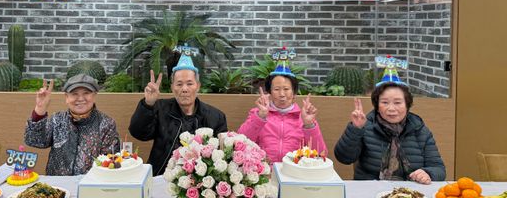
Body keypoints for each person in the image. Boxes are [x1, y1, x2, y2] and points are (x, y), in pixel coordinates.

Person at [128, 48, 228, 176]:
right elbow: (139, 133)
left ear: (198, 86)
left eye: (189, 84)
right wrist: (148, 104)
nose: (184, 89)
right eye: (179, 84)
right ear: (172, 87)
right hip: (161, 176)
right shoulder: (160, 109)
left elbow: (221, 157)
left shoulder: (216, 117)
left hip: (200, 182)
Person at [334, 81, 445, 183]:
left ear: (407, 105)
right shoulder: (365, 126)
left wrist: (428, 173)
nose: (391, 108)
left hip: (411, 191)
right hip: (371, 190)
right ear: (377, 107)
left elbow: (439, 169)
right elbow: (344, 158)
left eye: (397, 102)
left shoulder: (420, 130)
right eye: (385, 102)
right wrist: (355, 129)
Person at [238, 49, 327, 163]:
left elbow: (321, 154)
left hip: (293, 170)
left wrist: (309, 125)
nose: (282, 94)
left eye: (286, 89)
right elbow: (241, 142)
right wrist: (260, 117)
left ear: (294, 92)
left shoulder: (304, 118)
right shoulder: (258, 113)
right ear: (269, 92)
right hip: (264, 171)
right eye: (276, 89)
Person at [24, 74, 120, 176]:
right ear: (66, 97)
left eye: (86, 93)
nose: (80, 98)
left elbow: (110, 161)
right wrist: (40, 108)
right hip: (57, 183)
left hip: (91, 182)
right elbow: (34, 141)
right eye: (74, 94)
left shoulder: (106, 124)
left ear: (94, 96)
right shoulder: (57, 119)